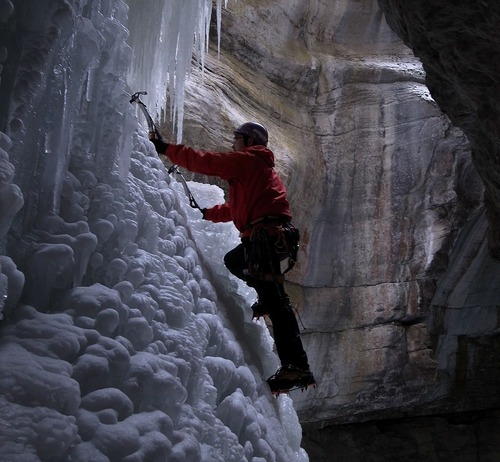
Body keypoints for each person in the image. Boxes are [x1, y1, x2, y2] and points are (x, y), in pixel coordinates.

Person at [151, 122, 315, 393]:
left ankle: (296, 367)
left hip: (266, 239)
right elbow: (237, 208)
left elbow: (208, 161)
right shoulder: (256, 170)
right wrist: (209, 214)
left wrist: (166, 148)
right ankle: (272, 312)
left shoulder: (249, 161)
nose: (233, 144)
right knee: (236, 262)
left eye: (236, 138)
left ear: (249, 140)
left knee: (278, 304)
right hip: (266, 239)